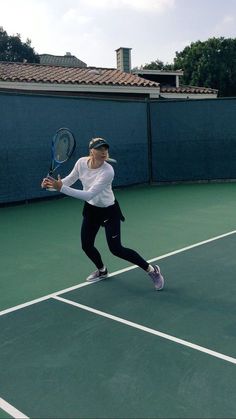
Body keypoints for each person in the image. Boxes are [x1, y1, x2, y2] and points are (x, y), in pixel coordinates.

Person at [41, 137, 164, 290]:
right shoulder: (81, 163)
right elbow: (68, 181)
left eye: (105, 148)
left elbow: (89, 194)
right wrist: (51, 186)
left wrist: (60, 188)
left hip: (109, 211)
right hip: (91, 210)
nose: (103, 151)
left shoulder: (108, 171)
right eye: (99, 149)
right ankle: (102, 270)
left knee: (116, 249)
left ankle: (152, 270)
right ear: (91, 151)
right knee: (86, 245)